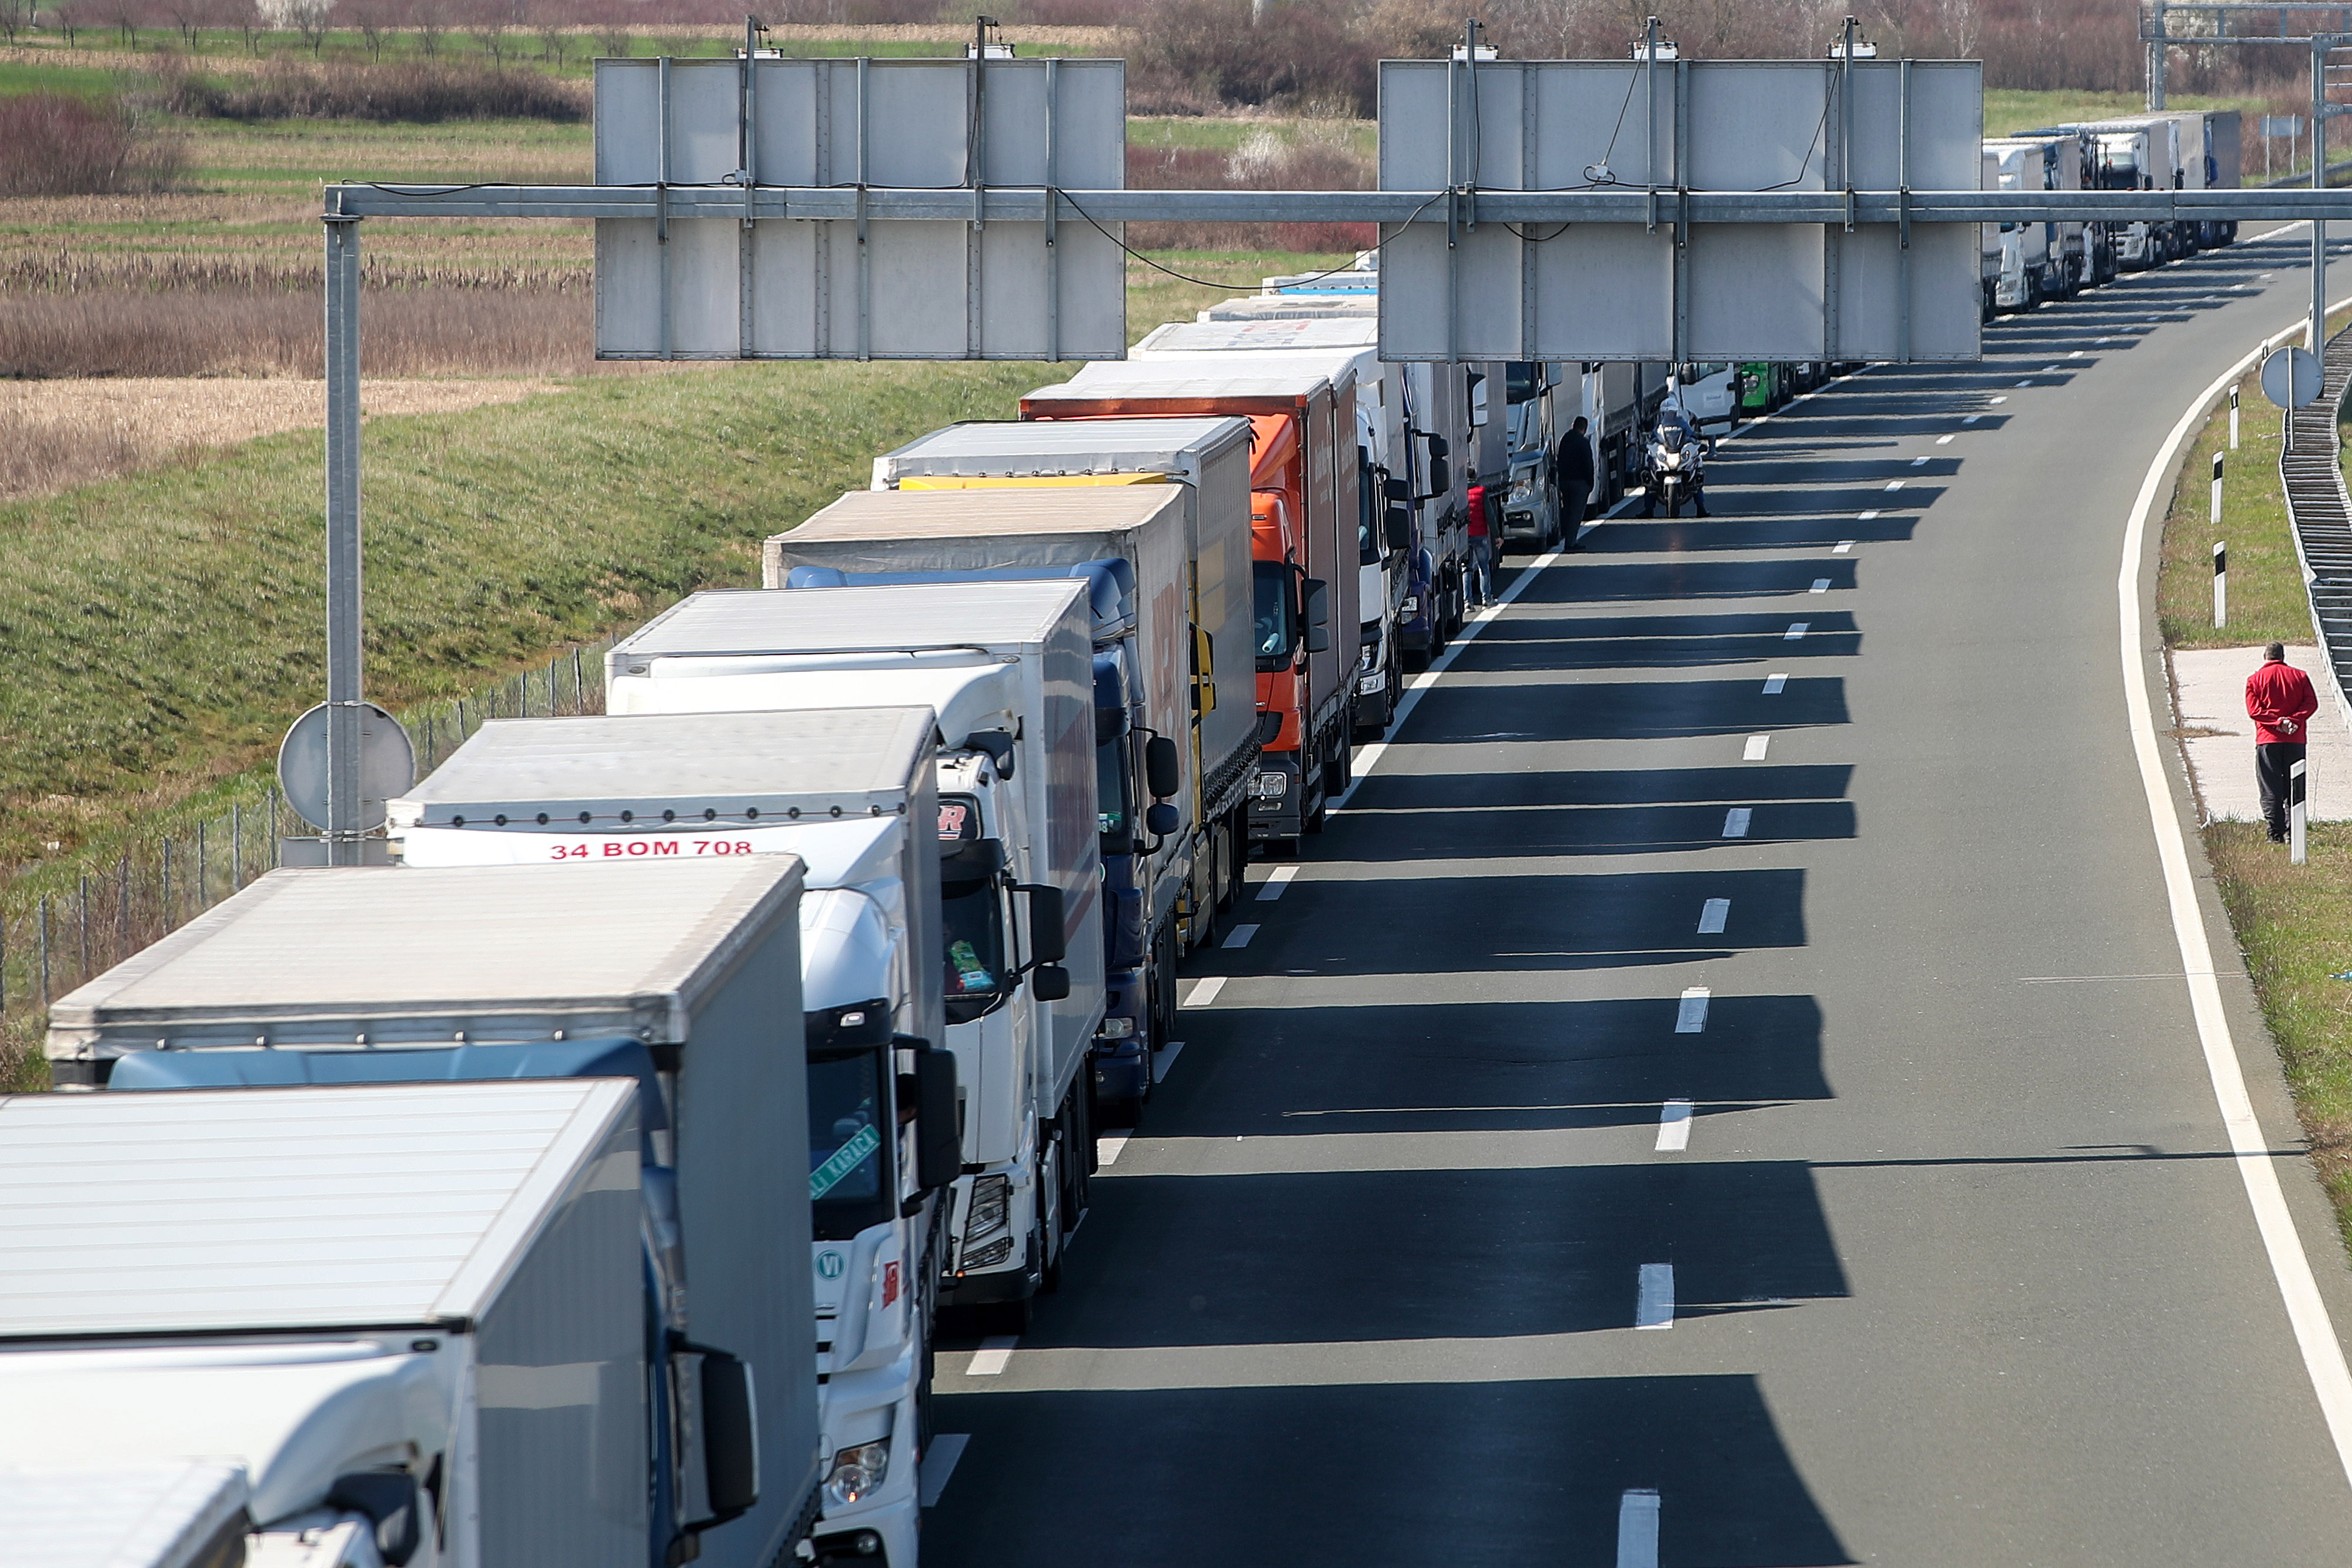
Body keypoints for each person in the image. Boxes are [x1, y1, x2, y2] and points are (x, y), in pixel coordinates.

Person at [2246, 642, 2318, 844]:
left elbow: (2255, 711)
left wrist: (2278, 722)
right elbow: (2312, 704)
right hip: (2295, 740)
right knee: (2294, 785)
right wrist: (2293, 720)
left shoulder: (2255, 680)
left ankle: (2275, 833)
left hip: (2268, 741)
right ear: (2283, 656)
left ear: (2265, 657)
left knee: (2270, 787)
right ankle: (2294, 831)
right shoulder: (2301, 677)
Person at [1553, 414, 1596, 552]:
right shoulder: (1583, 443)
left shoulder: (1565, 439)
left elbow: (1559, 460)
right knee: (1576, 514)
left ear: (1573, 425)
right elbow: (1588, 464)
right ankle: (1571, 543)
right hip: (1580, 483)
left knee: (1567, 510)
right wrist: (1590, 483)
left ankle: (1565, 536)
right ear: (1584, 428)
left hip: (1565, 481)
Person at [1463, 469, 1494, 607]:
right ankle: (1486, 598)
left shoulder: (1462, 493)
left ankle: (1468, 602)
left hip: (1466, 537)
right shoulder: (1481, 492)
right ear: (1475, 477)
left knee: (1467, 569)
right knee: (1483, 568)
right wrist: (1497, 535)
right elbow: (1490, 516)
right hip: (1480, 536)